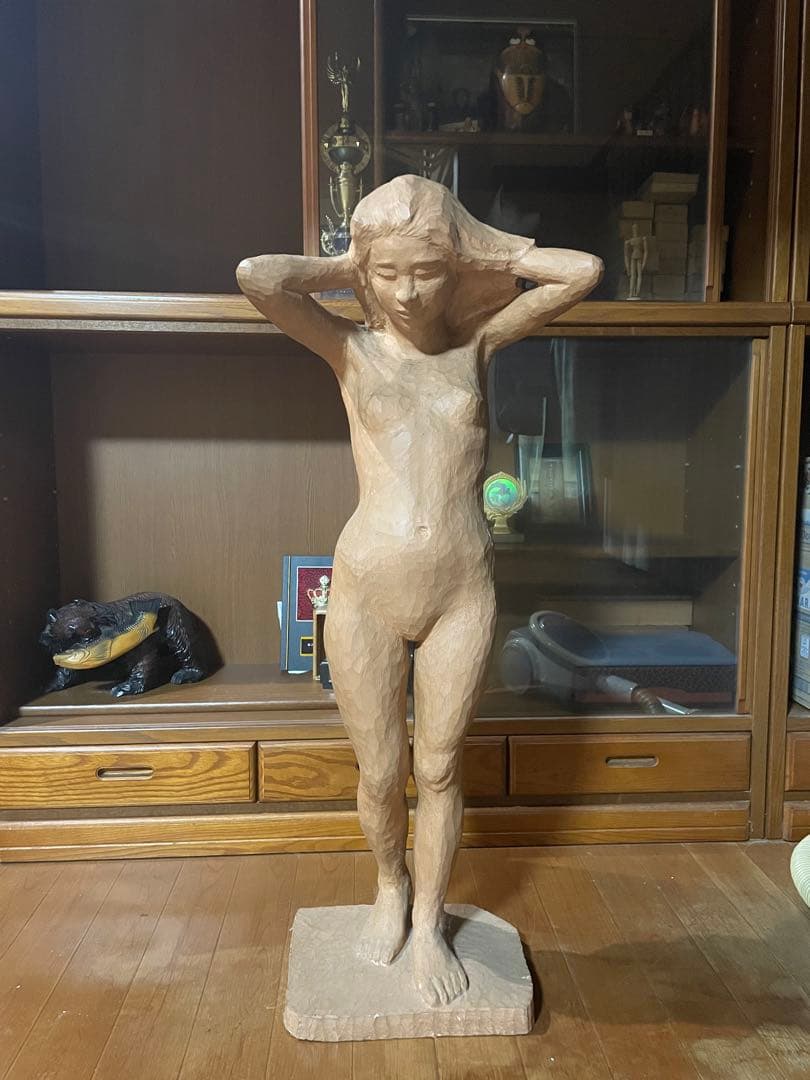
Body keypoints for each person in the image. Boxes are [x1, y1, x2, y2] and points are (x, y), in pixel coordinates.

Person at [237, 175, 601, 1007]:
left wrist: (485, 248)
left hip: (460, 592)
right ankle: (389, 887)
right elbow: (258, 276)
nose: (406, 293)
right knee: (379, 773)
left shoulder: (479, 345)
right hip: (367, 589)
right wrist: (352, 258)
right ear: (366, 274)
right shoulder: (349, 348)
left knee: (438, 767)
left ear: (455, 268)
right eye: (389, 274)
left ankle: (431, 921)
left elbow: (580, 272)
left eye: (428, 272)